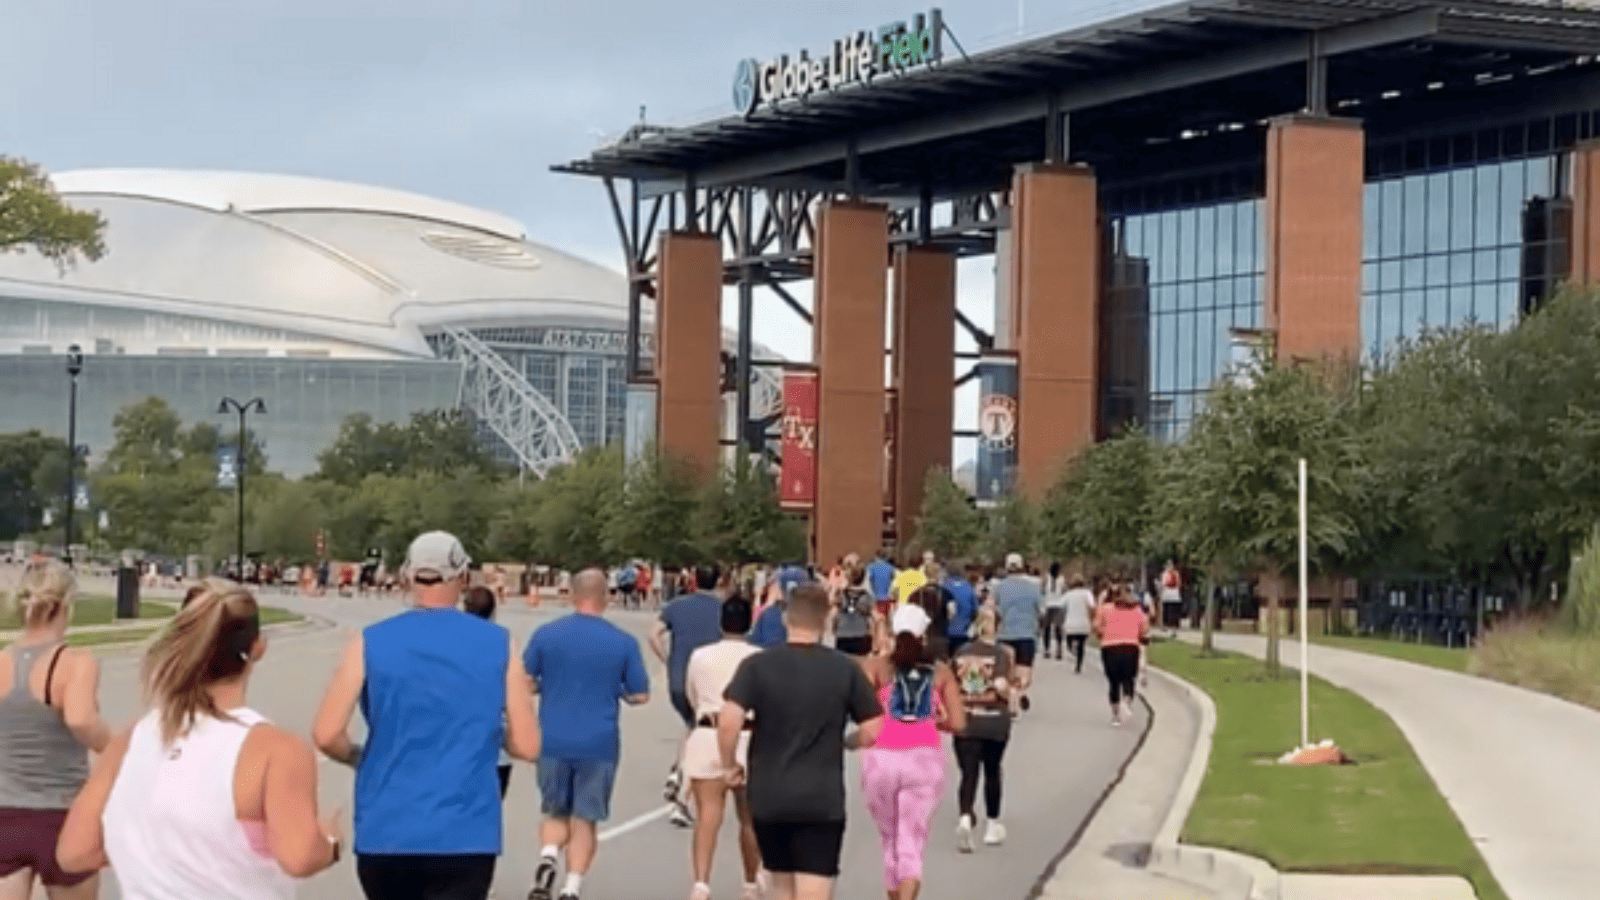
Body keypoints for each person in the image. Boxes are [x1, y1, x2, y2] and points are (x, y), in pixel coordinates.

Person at [58, 580, 341, 899]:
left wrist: (156, 850)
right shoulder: (276, 750)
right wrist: (330, 844)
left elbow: (74, 852)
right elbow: (299, 857)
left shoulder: (131, 739)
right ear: (257, 648)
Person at [313, 532, 540, 900]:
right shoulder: (500, 644)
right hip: (465, 834)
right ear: (464, 577)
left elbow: (326, 734)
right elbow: (528, 746)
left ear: (406, 575)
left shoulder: (368, 642)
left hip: (387, 829)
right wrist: (491, 738)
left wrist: (359, 757)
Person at [719, 583, 883, 900]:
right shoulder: (844, 668)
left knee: (781, 883)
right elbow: (874, 726)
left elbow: (728, 719)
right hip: (821, 797)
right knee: (815, 887)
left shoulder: (757, 666)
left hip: (769, 794)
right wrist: (850, 741)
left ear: (786, 619)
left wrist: (729, 765)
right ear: (826, 620)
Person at [524, 569, 650, 900]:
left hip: (553, 738)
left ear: (571, 595)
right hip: (598, 741)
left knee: (554, 811)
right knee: (585, 818)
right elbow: (641, 695)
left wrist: (543, 685)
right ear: (606, 596)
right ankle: (572, 886)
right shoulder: (623, 641)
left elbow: (524, 680)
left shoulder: (546, 635)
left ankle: (549, 854)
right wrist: (619, 691)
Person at [1, 560, 111, 900]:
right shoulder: (76, 662)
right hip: (63, 815)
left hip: (5, 814)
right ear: (66, 605)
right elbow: (80, 719)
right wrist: (118, 750)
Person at [859, 603, 965, 900]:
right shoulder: (941, 671)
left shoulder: (876, 668)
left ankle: (893, 894)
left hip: (881, 759)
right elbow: (958, 722)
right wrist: (936, 721)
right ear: (924, 636)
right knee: (911, 840)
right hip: (924, 760)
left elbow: (865, 715)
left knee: (889, 838)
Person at [682, 596, 763, 900]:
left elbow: (692, 695)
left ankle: (701, 882)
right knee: (749, 817)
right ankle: (751, 882)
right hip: (747, 734)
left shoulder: (700, 656)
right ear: (749, 623)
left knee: (708, 815)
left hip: (708, 731)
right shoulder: (758, 656)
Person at [650, 565, 726, 828]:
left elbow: (654, 633)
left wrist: (667, 659)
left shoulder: (676, 606)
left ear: (693, 580)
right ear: (718, 581)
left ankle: (677, 770)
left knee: (692, 726)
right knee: (703, 733)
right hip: (704, 678)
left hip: (678, 677)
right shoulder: (721, 609)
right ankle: (682, 793)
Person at [950, 606, 1014, 852]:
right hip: (994, 719)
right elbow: (1000, 683)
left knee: (968, 772)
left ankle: (966, 817)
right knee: (992, 771)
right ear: (997, 626)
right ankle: (992, 825)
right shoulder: (1001, 654)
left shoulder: (961, 652)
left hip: (966, 719)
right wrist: (1011, 695)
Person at [463, 587, 515, 802]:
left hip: (458, 747)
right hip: (495, 749)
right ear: (493, 610)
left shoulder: (450, 643)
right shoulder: (503, 643)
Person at [991, 553, 1041, 715]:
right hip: (1027, 635)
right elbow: (1042, 610)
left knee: (1007, 671)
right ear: (1022, 566)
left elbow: (991, 610)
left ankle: (1011, 700)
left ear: (1006, 567)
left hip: (1004, 635)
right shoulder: (1034, 587)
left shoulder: (998, 587)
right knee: (1024, 673)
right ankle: (1019, 694)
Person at [1094, 585, 1150, 726]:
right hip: (1130, 648)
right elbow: (1145, 629)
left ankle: (1115, 715)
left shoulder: (1105, 609)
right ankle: (1126, 700)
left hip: (1110, 648)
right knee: (1129, 679)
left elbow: (1096, 627)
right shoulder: (1137, 610)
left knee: (1113, 682)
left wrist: (1101, 635)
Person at [831, 563, 877, 661]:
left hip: (843, 634)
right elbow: (875, 617)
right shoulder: (867, 597)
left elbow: (834, 610)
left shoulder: (842, 595)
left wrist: (834, 626)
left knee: (843, 666)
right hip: (861, 635)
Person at [1061, 576, 1096, 674]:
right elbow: (1092, 606)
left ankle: (1073, 651)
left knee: (1069, 643)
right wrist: (1092, 619)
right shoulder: (1087, 593)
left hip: (1070, 624)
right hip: (1083, 624)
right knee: (1081, 645)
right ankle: (1078, 665)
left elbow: (1061, 605)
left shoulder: (1068, 594)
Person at [942, 568, 978, 658]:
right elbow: (975, 609)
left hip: (944, 633)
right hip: (964, 631)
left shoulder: (943, 585)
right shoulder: (968, 586)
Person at [1039, 574, 1070, 661]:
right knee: (1046, 629)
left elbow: (1065, 591)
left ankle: (1059, 649)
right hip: (1047, 606)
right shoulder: (1046, 578)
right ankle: (1047, 649)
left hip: (1059, 606)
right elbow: (1041, 591)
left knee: (1058, 628)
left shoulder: (1062, 579)